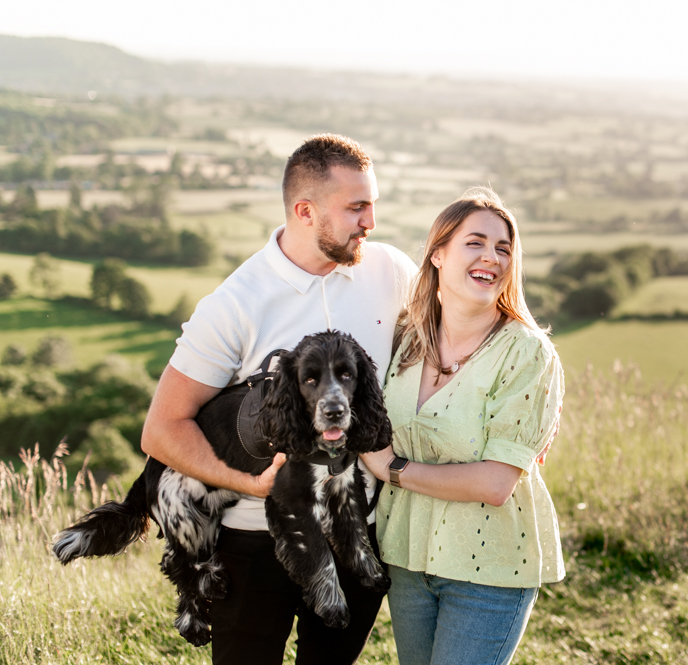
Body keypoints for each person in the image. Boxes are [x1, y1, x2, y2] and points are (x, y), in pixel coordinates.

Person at [140, 134, 417, 665]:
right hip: (253, 542)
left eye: (373, 205)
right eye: (357, 207)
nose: (371, 222)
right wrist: (247, 482)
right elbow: (163, 429)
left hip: (358, 529)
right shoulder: (234, 305)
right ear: (305, 210)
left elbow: (452, 341)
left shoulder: (391, 272)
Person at [360, 188, 565, 665]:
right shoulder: (405, 338)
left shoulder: (527, 353)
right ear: (437, 254)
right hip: (407, 557)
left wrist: (393, 469)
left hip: (489, 568)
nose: (491, 257)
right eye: (475, 242)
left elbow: (495, 483)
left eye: (503, 248)